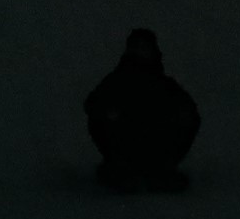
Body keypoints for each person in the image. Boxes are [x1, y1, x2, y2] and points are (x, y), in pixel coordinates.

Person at [84, 27, 201, 191]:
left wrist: (182, 117)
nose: (140, 52)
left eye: (144, 48)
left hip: (158, 146)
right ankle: (120, 168)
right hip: (124, 145)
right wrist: (109, 113)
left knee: (186, 118)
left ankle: (162, 169)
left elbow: (189, 109)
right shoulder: (117, 81)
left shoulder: (164, 84)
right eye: (136, 47)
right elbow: (93, 104)